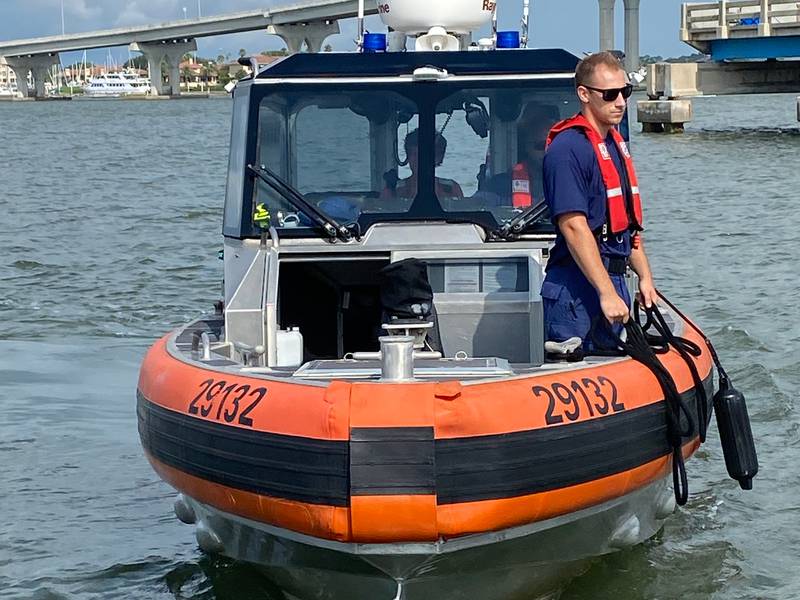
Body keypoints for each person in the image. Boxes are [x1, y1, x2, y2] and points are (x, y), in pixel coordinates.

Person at [540, 51, 657, 352]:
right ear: (584, 94)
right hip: (577, 292)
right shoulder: (568, 150)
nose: (620, 102)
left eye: (625, 92)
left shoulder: (613, 146)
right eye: (610, 94)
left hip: (615, 280)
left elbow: (624, 225)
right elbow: (574, 226)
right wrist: (605, 292)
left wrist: (644, 277)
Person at [382, 129, 464, 202]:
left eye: (424, 154)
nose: (419, 159)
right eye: (414, 154)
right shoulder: (394, 190)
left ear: (439, 158)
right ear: (408, 157)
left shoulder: (451, 188)